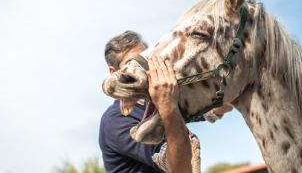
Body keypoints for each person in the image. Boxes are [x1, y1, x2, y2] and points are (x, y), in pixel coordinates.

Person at [99, 31, 232, 173]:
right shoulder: (115, 121)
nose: (143, 68)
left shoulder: (155, 102)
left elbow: (224, 106)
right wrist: (168, 105)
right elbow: (180, 168)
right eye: (131, 63)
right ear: (114, 72)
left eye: (146, 59)